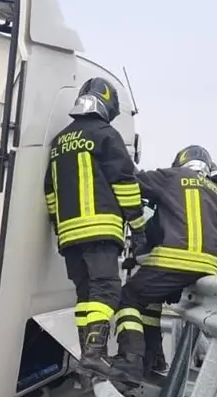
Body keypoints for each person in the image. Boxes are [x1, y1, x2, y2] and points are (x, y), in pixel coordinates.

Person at [43, 77, 146, 378]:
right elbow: (125, 184)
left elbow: (50, 193)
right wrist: (138, 228)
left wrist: (59, 229)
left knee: (85, 295)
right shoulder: (106, 135)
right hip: (100, 230)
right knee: (107, 290)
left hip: (69, 235)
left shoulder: (59, 142)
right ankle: (94, 355)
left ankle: (86, 356)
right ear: (107, 104)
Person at [112, 145, 217, 382]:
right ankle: (154, 359)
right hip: (209, 269)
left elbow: (133, 181)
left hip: (173, 262)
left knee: (127, 298)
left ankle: (129, 361)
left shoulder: (173, 177)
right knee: (150, 300)